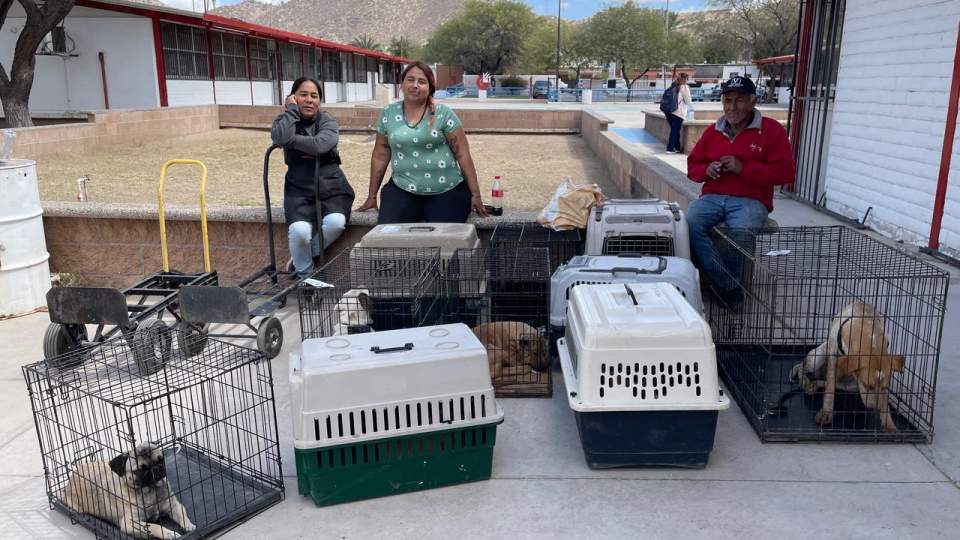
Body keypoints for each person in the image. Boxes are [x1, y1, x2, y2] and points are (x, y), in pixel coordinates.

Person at [686, 76, 796, 306]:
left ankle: (722, 285)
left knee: (742, 232)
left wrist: (743, 168)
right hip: (713, 197)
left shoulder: (771, 130)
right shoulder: (713, 132)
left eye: (739, 100)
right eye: (728, 100)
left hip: (751, 199)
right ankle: (728, 284)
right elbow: (693, 168)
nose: (732, 107)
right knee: (690, 223)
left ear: (753, 101)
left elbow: (786, 173)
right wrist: (707, 170)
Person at [357, 61, 487, 223]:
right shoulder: (388, 114)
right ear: (402, 84)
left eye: (422, 81)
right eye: (410, 80)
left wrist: (476, 194)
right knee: (390, 234)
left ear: (430, 88)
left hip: (448, 191)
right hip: (402, 189)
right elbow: (380, 156)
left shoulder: (443, 114)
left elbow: (463, 154)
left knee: (444, 236)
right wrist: (372, 196)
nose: (415, 85)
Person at [271, 77, 354, 278]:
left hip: (331, 185)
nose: (309, 100)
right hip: (298, 188)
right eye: (303, 95)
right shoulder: (285, 120)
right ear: (293, 97)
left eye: (314, 96)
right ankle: (305, 277)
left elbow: (321, 145)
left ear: (319, 100)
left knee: (336, 223)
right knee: (299, 232)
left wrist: (291, 141)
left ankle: (303, 257)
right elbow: (280, 137)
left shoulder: (327, 121)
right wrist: (291, 111)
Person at [665, 72, 692, 154]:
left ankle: (677, 147)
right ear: (685, 79)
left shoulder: (673, 85)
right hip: (678, 112)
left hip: (669, 111)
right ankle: (670, 148)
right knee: (675, 130)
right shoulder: (684, 87)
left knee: (675, 130)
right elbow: (688, 101)